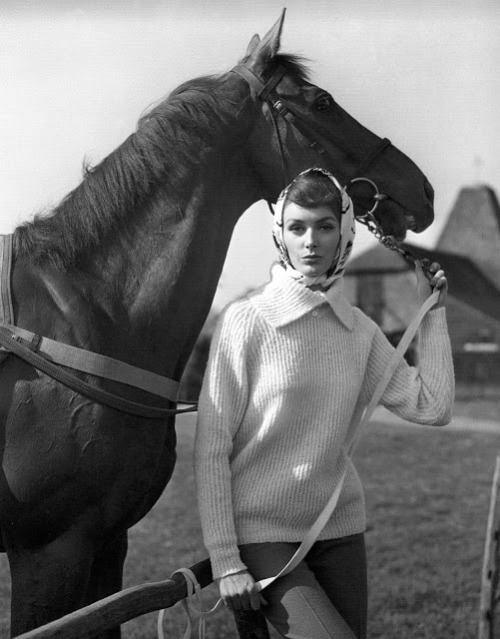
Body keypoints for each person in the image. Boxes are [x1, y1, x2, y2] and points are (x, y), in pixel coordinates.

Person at [194, 168, 454, 639]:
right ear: (281, 236)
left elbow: (432, 407)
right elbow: (212, 448)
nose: (310, 241)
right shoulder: (246, 322)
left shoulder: (358, 329)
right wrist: (226, 561)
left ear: (344, 234)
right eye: (297, 228)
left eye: (324, 226)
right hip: (264, 535)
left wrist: (432, 316)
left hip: (339, 531)